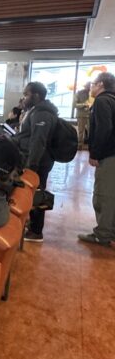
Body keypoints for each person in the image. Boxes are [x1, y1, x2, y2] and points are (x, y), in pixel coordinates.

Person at [13, 81, 58, 242]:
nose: (23, 98)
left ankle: (36, 231)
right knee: (30, 192)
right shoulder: (35, 111)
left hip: (37, 162)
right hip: (32, 159)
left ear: (36, 95)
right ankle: (31, 224)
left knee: (36, 194)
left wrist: (31, 167)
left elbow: (38, 142)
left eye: (26, 94)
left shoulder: (42, 114)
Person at [78, 72, 115, 248]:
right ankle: (110, 231)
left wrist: (95, 153)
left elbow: (103, 129)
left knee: (103, 195)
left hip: (109, 155)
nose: (90, 87)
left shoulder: (102, 101)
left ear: (100, 84)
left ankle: (103, 234)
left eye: (93, 83)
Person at [74, 82, 91, 149]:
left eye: (90, 87)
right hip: (81, 115)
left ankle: (91, 146)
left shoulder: (92, 93)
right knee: (81, 131)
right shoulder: (79, 93)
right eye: (88, 86)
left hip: (91, 115)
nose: (89, 88)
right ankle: (79, 145)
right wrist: (84, 104)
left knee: (91, 131)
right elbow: (74, 105)